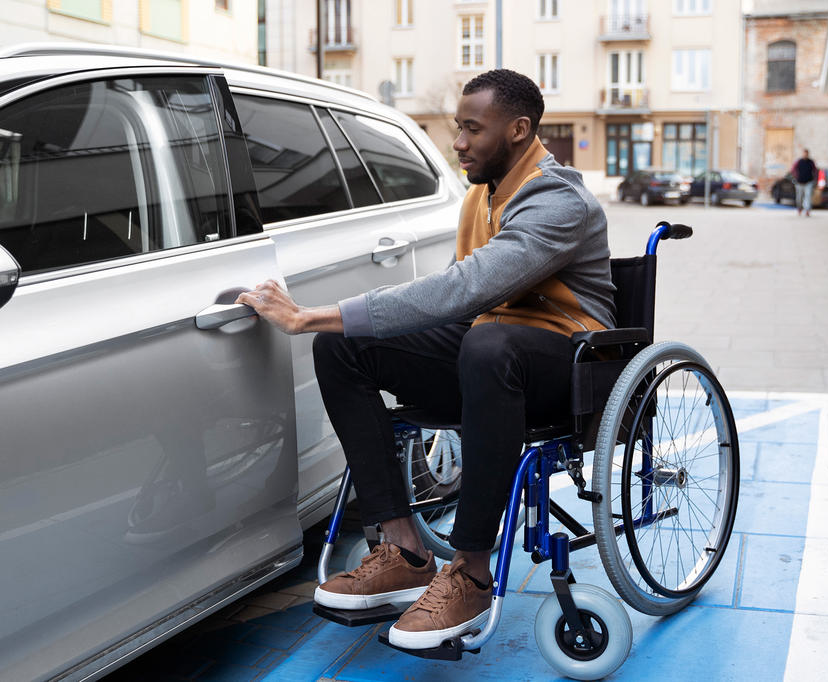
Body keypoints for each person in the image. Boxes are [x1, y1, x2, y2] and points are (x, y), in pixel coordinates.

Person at [236, 69, 616, 649]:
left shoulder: (558, 199)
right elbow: (456, 306)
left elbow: (466, 289)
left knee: (486, 345)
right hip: (487, 357)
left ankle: (469, 571)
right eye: (456, 128)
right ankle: (402, 548)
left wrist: (313, 311)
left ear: (518, 130)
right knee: (343, 346)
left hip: (566, 362)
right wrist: (337, 327)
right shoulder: (479, 197)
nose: (458, 143)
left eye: (471, 129)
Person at [791, 148, 818, 216]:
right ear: (802, 154)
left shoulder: (811, 162)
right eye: (804, 153)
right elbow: (793, 170)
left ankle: (807, 210)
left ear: (808, 154)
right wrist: (795, 177)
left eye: (806, 154)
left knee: (808, 197)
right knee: (799, 198)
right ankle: (799, 209)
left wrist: (814, 180)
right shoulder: (799, 162)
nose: (805, 155)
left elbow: (815, 171)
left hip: (808, 182)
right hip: (799, 182)